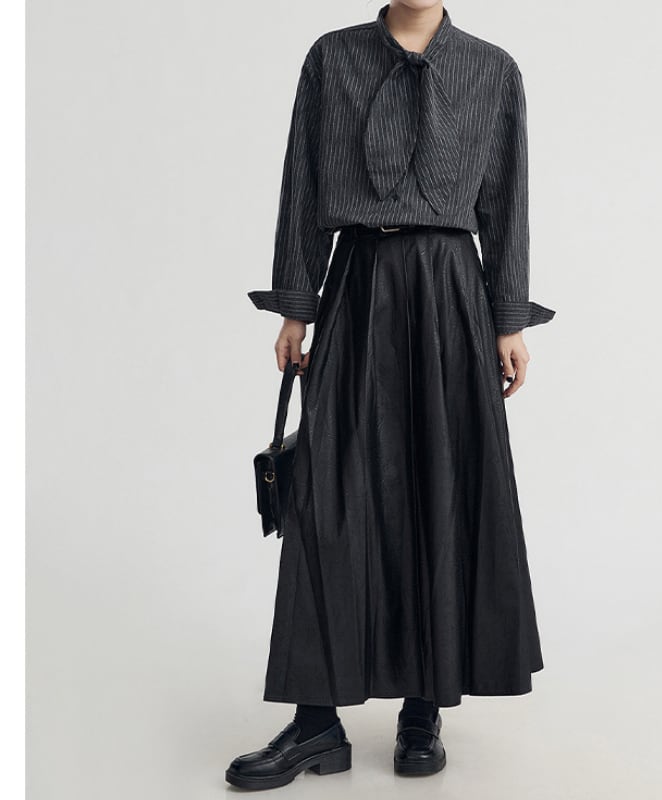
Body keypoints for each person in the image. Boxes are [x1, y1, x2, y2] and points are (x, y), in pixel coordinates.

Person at [225, 1, 556, 790]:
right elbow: (304, 181)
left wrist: (509, 319)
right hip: (357, 280)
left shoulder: (492, 68)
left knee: (438, 488)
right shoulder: (333, 57)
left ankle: (422, 709)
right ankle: (315, 723)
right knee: (329, 497)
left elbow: (506, 199)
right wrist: (297, 305)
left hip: (450, 292)